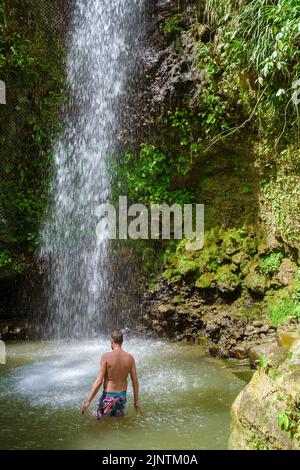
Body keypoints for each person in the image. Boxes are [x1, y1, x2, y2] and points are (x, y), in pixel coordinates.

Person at [81, 329, 141, 419]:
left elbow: (99, 381)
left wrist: (88, 400)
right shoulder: (130, 358)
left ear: (112, 341)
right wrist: (136, 401)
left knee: (103, 426)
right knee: (118, 424)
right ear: (122, 342)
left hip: (108, 397)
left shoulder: (106, 357)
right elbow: (135, 381)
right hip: (121, 397)